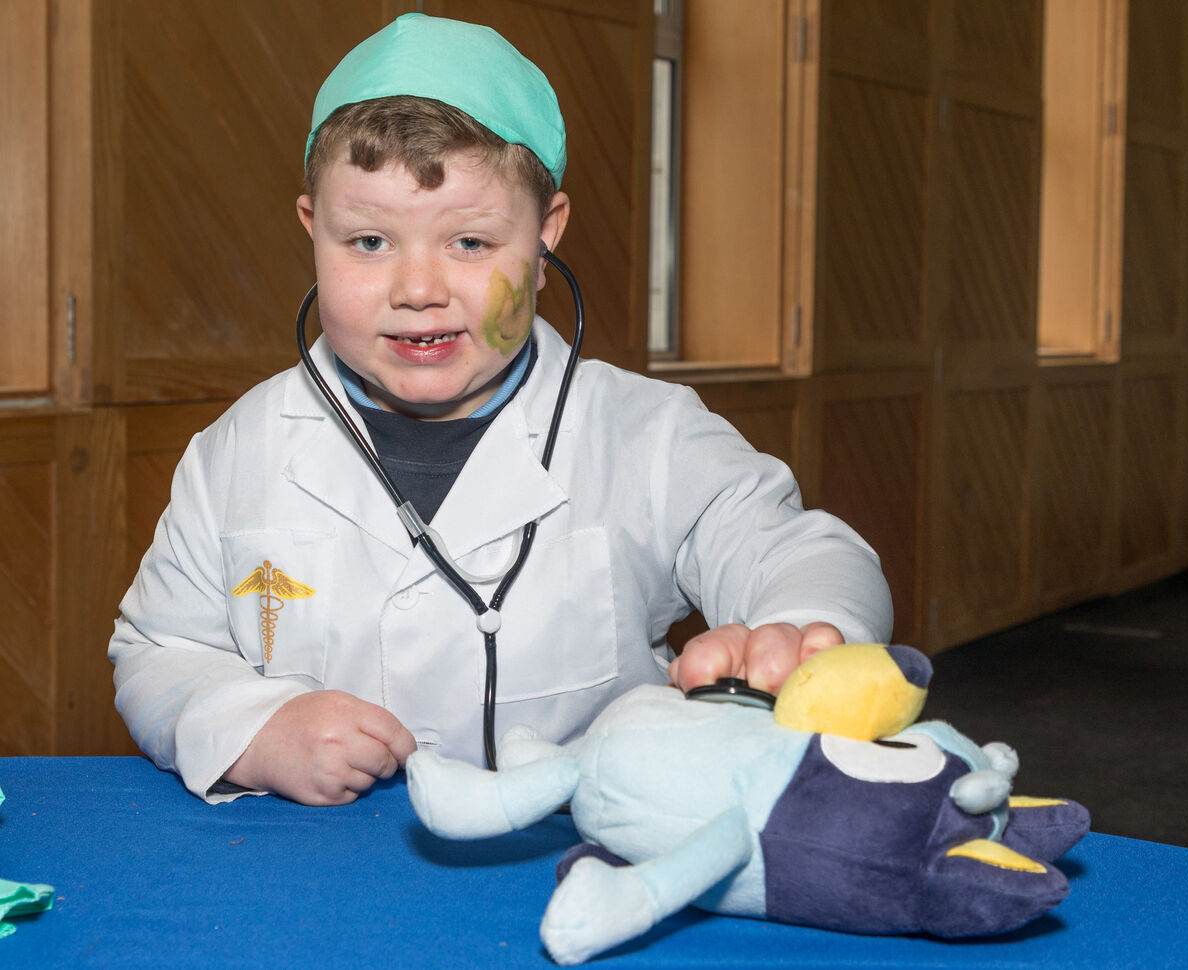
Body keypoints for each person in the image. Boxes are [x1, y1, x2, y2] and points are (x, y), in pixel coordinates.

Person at [108, 13, 892, 807]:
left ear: (547, 238)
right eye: (369, 243)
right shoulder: (235, 450)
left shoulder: (650, 435)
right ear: (313, 227)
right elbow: (158, 647)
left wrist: (799, 628)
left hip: (567, 865)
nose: (418, 291)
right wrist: (255, 729)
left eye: (472, 244)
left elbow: (805, 552)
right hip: (319, 885)